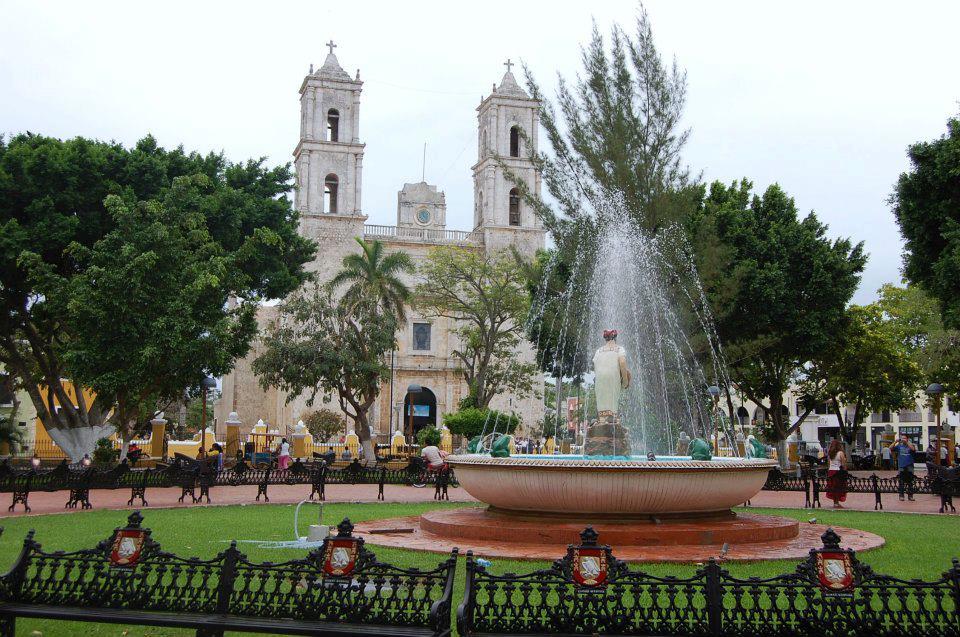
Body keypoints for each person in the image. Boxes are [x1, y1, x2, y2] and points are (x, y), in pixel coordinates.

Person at [889, 435, 917, 501]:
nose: (903, 439)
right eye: (902, 438)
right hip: (901, 465)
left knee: (910, 481)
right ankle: (901, 496)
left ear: (907, 439)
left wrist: (907, 442)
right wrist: (895, 441)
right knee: (901, 481)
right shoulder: (899, 446)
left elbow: (913, 449)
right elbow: (890, 448)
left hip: (909, 465)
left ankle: (910, 496)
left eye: (904, 438)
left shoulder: (911, 444)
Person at [825, 440, 848, 508]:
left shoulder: (830, 454)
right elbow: (843, 464)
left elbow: (829, 464)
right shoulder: (840, 453)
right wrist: (845, 470)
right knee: (839, 487)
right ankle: (837, 502)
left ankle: (835, 502)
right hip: (838, 472)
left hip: (831, 472)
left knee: (833, 487)